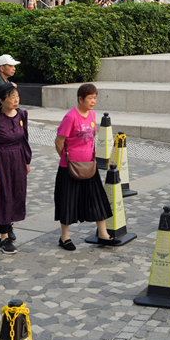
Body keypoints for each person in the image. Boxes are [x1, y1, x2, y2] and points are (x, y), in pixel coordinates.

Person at [53, 83, 114, 249]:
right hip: (70, 168)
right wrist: (66, 158)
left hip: (89, 166)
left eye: (95, 98)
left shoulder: (93, 115)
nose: (93, 101)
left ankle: (103, 234)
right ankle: (64, 237)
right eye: (90, 98)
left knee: (97, 198)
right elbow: (59, 141)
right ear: (80, 99)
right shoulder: (70, 117)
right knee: (68, 201)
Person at [0, 84, 32, 254]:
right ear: (2, 100)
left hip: (17, 159)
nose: (16, 100)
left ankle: (8, 225)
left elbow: (25, 139)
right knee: (2, 196)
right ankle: (3, 238)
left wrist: (26, 160)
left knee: (16, 193)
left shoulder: (22, 115)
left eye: (17, 96)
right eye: (11, 97)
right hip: (0, 161)